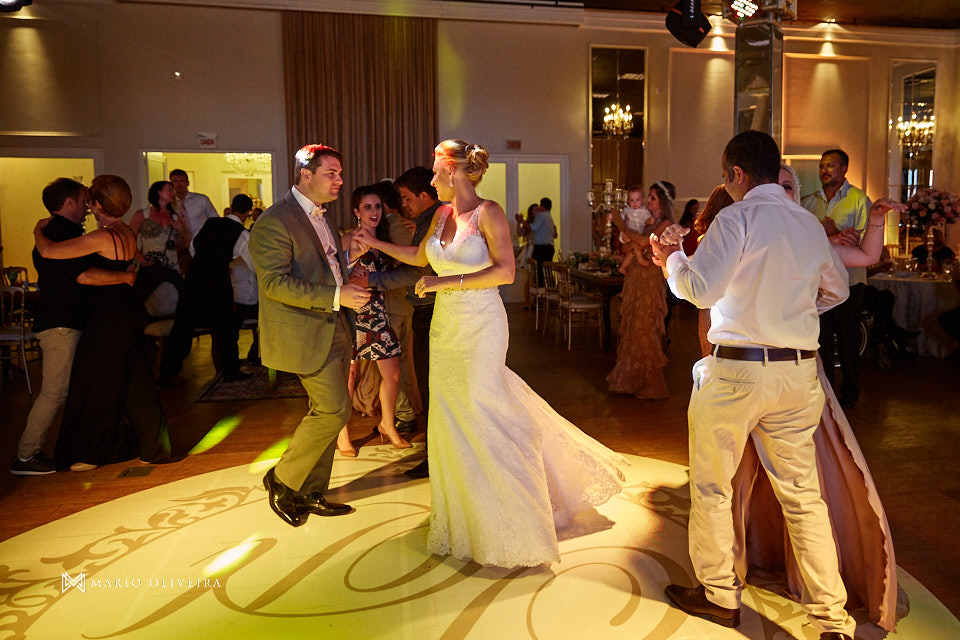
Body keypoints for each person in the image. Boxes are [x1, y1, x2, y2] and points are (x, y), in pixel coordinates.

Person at [354, 139, 624, 568]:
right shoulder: (441, 215)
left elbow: (506, 271)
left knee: (485, 407)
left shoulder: (489, 212)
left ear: (453, 170)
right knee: (450, 414)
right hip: (445, 327)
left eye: (435, 169)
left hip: (481, 324)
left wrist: (446, 283)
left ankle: (518, 515)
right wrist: (373, 243)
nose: (431, 178)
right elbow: (419, 256)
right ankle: (467, 515)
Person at [652, 131, 855, 640]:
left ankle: (720, 596)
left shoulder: (736, 218)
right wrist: (791, 315)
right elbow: (838, 290)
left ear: (737, 174)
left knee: (713, 487)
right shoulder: (807, 223)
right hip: (796, 373)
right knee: (804, 497)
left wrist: (670, 259)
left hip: (738, 373)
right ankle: (833, 619)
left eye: (726, 176)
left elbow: (700, 290)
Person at [249, 143, 371, 528]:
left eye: (340, 173)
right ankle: (283, 480)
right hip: (305, 330)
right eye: (331, 173)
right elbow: (274, 283)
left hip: (335, 324)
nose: (339, 180)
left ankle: (310, 490)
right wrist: (337, 295)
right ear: (306, 174)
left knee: (330, 412)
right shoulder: (275, 220)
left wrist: (350, 266)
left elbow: (324, 266)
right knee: (333, 410)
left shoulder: (322, 217)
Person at [34, 175, 172, 471]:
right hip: (129, 311)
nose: (88, 207)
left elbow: (48, 252)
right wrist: (123, 277)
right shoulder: (126, 232)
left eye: (90, 202)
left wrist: (38, 230)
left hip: (108, 317)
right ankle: (155, 449)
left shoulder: (102, 237)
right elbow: (128, 269)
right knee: (136, 381)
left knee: (95, 382)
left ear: (98, 205)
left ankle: (92, 454)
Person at [11, 178, 134, 476]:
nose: (87, 207)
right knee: (55, 392)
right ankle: (26, 455)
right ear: (68, 202)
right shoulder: (61, 233)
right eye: (82, 200)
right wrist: (125, 277)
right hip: (61, 324)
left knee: (73, 388)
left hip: (67, 321)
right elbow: (82, 275)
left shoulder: (59, 231)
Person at [352, 166, 441, 479]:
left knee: (408, 376)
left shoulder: (414, 225)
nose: (402, 205)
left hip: (401, 309)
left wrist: (373, 279)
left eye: (406, 198)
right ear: (356, 211)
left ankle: (404, 433)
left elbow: (417, 264)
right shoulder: (357, 237)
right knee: (355, 372)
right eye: (368, 207)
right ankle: (349, 433)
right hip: (364, 311)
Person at [335, 185, 411, 456]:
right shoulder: (349, 238)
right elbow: (336, 273)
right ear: (356, 211)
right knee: (349, 375)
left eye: (377, 206)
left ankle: (387, 425)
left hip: (378, 313)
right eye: (367, 207)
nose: (374, 212)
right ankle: (342, 433)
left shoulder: (384, 239)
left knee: (392, 374)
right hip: (353, 313)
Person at [159, 194, 257, 383]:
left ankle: (167, 372)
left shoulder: (210, 223)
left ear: (231, 207)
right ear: (248, 213)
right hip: (217, 281)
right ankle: (230, 370)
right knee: (226, 327)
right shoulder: (242, 233)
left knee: (183, 325)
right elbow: (253, 263)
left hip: (194, 278)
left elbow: (193, 247)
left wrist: (206, 261)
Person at [802, 149, 871, 408]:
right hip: (817, 282)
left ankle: (851, 392)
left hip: (850, 281)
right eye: (822, 166)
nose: (824, 170)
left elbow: (866, 243)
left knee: (847, 338)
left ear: (844, 168)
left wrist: (836, 230)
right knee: (820, 339)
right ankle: (825, 389)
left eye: (830, 165)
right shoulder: (808, 202)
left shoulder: (859, 200)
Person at [606, 181, 675, 399]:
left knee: (645, 326)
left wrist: (622, 227)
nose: (648, 201)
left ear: (662, 201)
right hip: (636, 275)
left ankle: (648, 383)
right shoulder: (647, 222)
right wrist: (632, 240)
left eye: (652, 197)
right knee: (633, 325)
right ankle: (631, 379)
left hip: (649, 278)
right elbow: (629, 245)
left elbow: (644, 242)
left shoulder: (665, 223)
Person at [130, 180, 190, 278]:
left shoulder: (175, 217)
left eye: (173, 191)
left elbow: (182, 245)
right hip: (150, 267)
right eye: (169, 190)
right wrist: (142, 260)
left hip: (171, 267)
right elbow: (129, 240)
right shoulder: (142, 215)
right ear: (158, 192)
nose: (173, 193)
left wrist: (179, 230)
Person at [168, 168, 218, 260]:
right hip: (178, 249)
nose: (179, 184)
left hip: (201, 245)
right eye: (175, 181)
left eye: (182, 181)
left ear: (188, 182)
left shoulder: (201, 200)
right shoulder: (168, 204)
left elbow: (215, 221)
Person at [615, 185, 653, 275]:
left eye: (637, 200)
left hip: (637, 234)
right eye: (632, 200)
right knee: (636, 244)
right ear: (628, 201)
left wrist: (650, 221)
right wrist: (613, 217)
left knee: (632, 252)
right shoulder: (627, 210)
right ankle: (640, 259)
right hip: (627, 234)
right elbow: (620, 218)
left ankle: (623, 267)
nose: (635, 203)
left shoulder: (644, 211)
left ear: (643, 200)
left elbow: (647, 220)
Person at [528, 197, 556, 285]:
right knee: (547, 272)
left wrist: (521, 221)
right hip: (550, 248)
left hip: (541, 249)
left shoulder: (541, 215)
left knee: (539, 273)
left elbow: (533, 227)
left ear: (542, 206)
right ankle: (550, 289)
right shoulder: (549, 217)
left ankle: (540, 291)